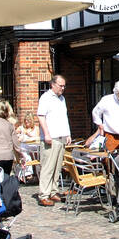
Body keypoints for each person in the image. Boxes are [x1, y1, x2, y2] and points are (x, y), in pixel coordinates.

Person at [37, 74, 71, 207]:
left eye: (64, 86)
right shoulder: (46, 98)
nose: (62, 88)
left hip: (61, 136)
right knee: (48, 167)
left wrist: (67, 134)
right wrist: (46, 134)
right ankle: (44, 194)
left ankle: (53, 191)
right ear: (53, 84)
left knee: (57, 167)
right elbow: (41, 116)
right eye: (60, 85)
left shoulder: (62, 99)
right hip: (51, 137)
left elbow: (64, 117)